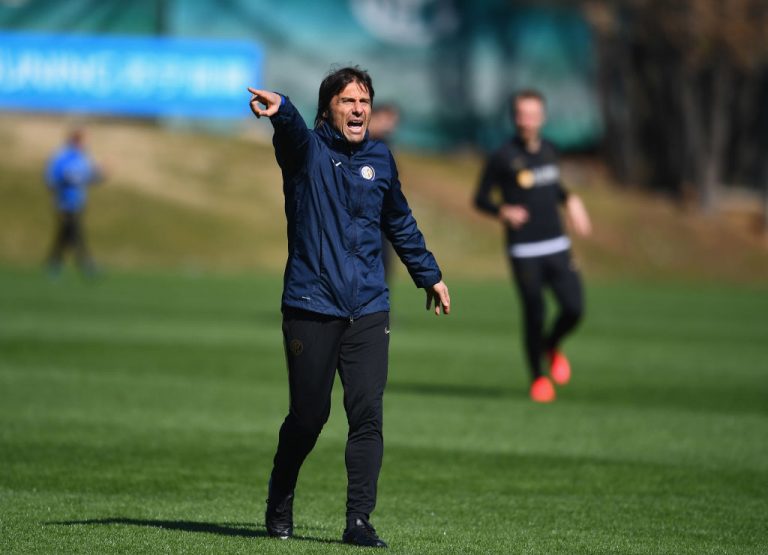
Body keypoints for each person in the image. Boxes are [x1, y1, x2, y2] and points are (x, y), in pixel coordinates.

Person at [248, 67, 450, 548]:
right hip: (312, 305)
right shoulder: (307, 153)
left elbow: (399, 220)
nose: (358, 109)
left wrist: (429, 273)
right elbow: (292, 134)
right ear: (328, 109)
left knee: (367, 416)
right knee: (309, 418)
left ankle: (358, 521)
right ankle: (281, 493)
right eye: (347, 101)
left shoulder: (380, 158)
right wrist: (283, 110)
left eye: (364, 101)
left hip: (369, 307)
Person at [474, 89, 591, 403]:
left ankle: (551, 344)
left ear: (543, 117)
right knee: (534, 313)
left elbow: (552, 188)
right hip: (524, 250)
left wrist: (571, 200)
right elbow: (480, 198)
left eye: (533, 115)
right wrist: (503, 211)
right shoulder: (502, 156)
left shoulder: (550, 149)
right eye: (521, 115)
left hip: (557, 244)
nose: (527, 121)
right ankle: (538, 377)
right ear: (514, 118)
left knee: (574, 308)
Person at [45, 127, 104, 276]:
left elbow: (88, 178)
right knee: (75, 232)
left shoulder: (83, 158)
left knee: (65, 234)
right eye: (83, 140)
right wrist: (65, 183)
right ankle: (86, 263)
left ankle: (54, 263)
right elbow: (51, 179)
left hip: (78, 202)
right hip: (64, 202)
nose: (85, 143)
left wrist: (101, 175)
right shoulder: (62, 156)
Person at [367, 103, 401, 284]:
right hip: (360, 218)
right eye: (388, 120)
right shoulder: (355, 143)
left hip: (382, 217)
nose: (391, 127)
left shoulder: (384, 146)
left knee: (384, 265)